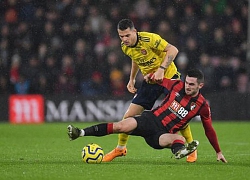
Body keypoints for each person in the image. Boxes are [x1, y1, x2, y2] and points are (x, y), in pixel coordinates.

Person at [68, 69, 227, 163]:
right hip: (150, 120)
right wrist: (150, 76)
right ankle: (80, 133)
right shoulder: (176, 84)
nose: (187, 86)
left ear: (201, 85)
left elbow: (209, 130)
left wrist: (218, 152)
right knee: (121, 126)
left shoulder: (202, 105)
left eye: (192, 84)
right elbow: (159, 80)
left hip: (162, 135)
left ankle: (179, 151)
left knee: (178, 139)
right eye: (187, 82)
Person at [102, 18, 197, 162]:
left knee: (178, 112)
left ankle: (191, 147)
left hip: (169, 77)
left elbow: (173, 50)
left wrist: (161, 70)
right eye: (121, 36)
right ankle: (120, 149)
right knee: (128, 117)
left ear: (134, 31)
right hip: (150, 81)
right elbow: (135, 58)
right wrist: (132, 78)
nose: (124, 39)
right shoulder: (124, 46)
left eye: (127, 35)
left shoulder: (149, 38)